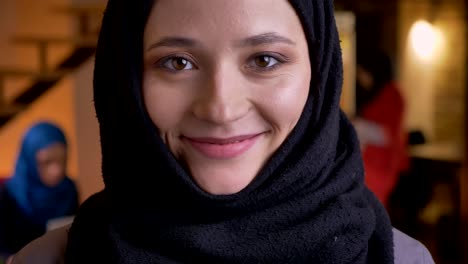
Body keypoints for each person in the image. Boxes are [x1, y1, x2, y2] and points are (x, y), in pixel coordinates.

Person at [11, 1, 434, 263]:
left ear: (320, 73)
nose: (220, 107)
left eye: (265, 60)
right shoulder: (48, 261)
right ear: (125, 81)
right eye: (177, 62)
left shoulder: (402, 260)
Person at [0, 122, 78, 260]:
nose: (57, 171)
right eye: (47, 162)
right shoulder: (8, 195)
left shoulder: (69, 189)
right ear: (29, 159)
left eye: (63, 160)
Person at [353, 51, 409, 208]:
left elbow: (388, 134)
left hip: (380, 165)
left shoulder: (391, 93)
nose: (361, 78)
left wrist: (357, 125)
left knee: (371, 208)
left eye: (362, 72)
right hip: (373, 162)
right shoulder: (379, 93)